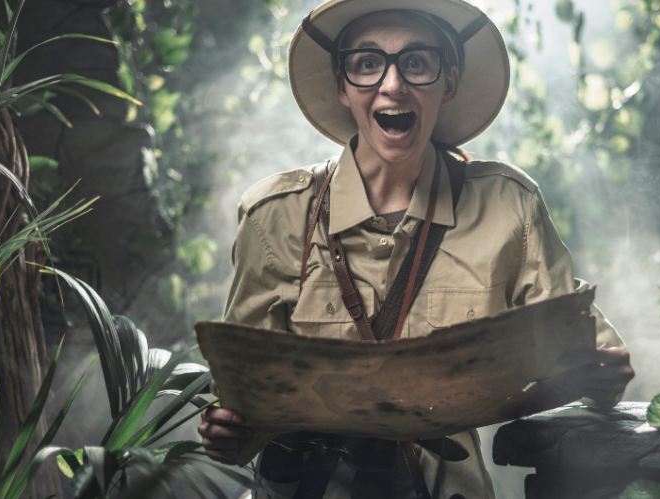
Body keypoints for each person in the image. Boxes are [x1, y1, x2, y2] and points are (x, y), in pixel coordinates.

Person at [198, 1, 635, 497]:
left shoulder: (507, 206)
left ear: (448, 83)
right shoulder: (275, 216)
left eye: (416, 62)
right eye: (367, 63)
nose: (393, 84)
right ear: (342, 85)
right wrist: (228, 431)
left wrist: (603, 376)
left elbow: (590, 350)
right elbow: (242, 401)